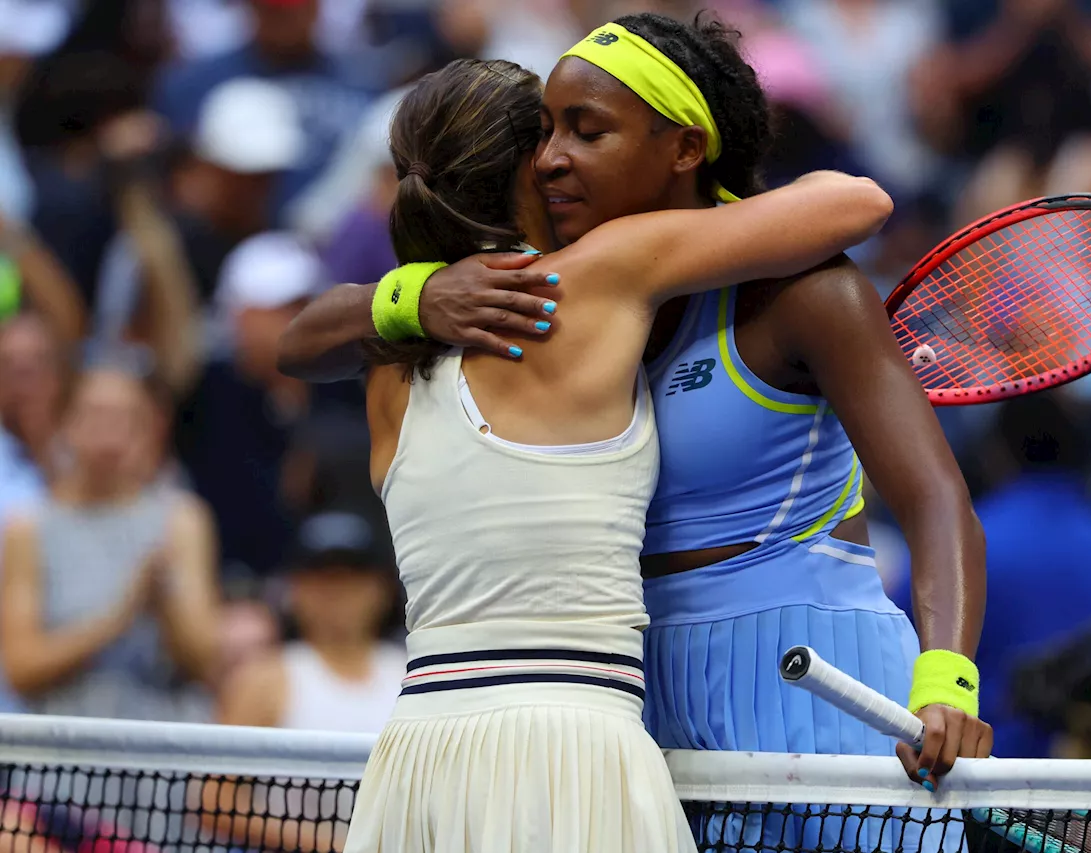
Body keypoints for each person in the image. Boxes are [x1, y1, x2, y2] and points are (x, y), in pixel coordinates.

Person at [280, 13, 986, 852]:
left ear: (684, 148)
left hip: (823, 690)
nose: (549, 158)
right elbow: (299, 342)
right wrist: (420, 292)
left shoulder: (806, 295)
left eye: (587, 131)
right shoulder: (550, 306)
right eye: (544, 132)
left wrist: (948, 680)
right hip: (642, 724)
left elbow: (935, 494)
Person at [0, 364, 221, 722]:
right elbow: (21, 669)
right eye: (97, 416)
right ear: (66, 424)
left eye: (127, 418)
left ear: (149, 430)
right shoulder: (28, 527)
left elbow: (206, 662)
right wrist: (120, 617)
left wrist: (164, 603)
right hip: (65, 750)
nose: (110, 433)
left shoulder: (181, 520)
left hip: (164, 747)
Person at [218, 509, 404, 733]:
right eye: (323, 580)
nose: (338, 592)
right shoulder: (262, 683)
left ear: (381, 589)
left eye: (352, 579)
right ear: (296, 589)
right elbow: (223, 766)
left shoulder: (410, 675)